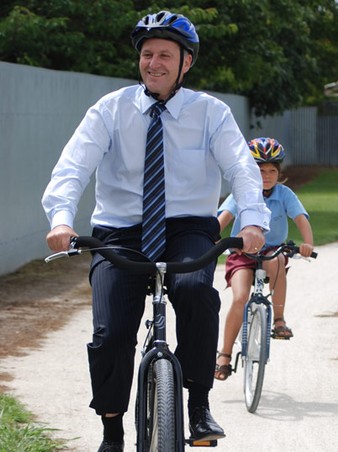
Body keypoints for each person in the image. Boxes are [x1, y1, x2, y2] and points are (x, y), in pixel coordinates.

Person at [41, 11, 270, 452]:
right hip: (120, 231)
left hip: (187, 227)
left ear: (186, 62)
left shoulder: (210, 113)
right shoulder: (110, 109)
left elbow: (242, 168)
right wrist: (62, 221)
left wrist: (253, 220)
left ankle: (198, 403)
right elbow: (72, 168)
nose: (154, 63)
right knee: (111, 331)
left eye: (165, 54)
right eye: (147, 54)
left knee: (196, 293)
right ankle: (112, 430)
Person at [214, 137, 314, 380]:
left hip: (272, 250)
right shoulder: (242, 193)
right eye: (260, 171)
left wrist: (307, 243)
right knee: (239, 298)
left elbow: (301, 218)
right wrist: (210, 237)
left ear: (279, 173)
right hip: (242, 252)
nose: (266, 176)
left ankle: (278, 319)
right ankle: (224, 355)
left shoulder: (284, 194)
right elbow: (224, 218)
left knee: (277, 261)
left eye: (272, 171)